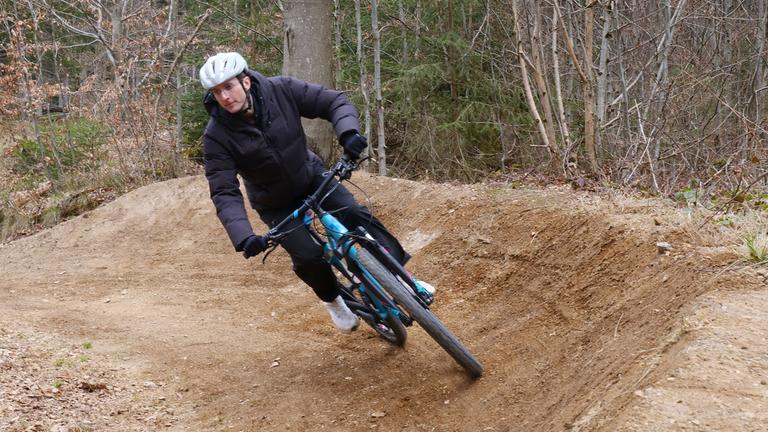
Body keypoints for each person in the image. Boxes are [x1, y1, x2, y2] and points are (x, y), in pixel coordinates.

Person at [199, 52, 434, 333]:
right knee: (309, 256)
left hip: (311, 178)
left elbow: (333, 101)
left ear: (246, 82)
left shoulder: (281, 90)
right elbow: (224, 190)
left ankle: (402, 276)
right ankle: (333, 300)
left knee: (355, 214)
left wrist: (348, 134)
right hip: (275, 203)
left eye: (228, 86)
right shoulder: (216, 136)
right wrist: (244, 236)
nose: (224, 97)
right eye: (216, 91)